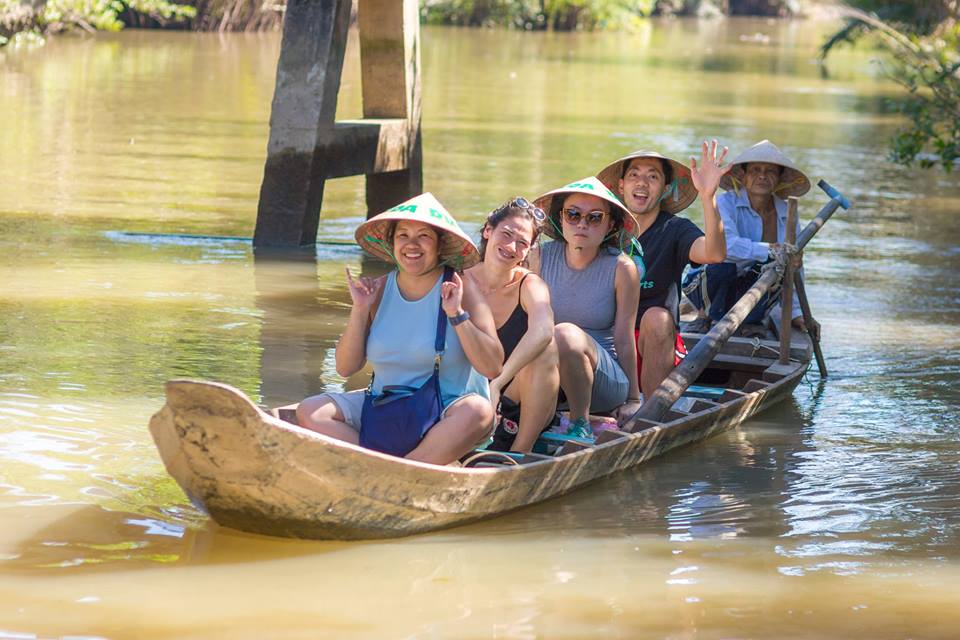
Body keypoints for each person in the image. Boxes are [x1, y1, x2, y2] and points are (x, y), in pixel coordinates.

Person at [296, 193, 503, 465]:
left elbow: (493, 367)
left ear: (440, 245)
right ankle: (382, 466)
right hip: (385, 407)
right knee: (311, 410)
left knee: (479, 410)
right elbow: (345, 368)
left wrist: (456, 314)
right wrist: (360, 309)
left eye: (424, 236)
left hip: (448, 415)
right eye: (403, 235)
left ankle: (394, 468)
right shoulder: (378, 290)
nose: (412, 245)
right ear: (392, 243)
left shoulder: (461, 287)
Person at [596, 141, 729, 401]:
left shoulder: (675, 229)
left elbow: (714, 253)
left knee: (657, 318)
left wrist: (708, 197)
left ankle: (649, 416)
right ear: (621, 185)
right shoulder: (601, 225)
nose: (642, 183)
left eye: (652, 177)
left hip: (653, 345)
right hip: (604, 342)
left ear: (665, 189)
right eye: (634, 175)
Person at [531, 177, 642, 438]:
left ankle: (579, 422)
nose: (582, 223)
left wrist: (633, 398)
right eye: (573, 214)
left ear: (610, 225)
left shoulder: (622, 268)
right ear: (560, 218)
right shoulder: (539, 256)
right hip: (548, 373)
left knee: (566, 333)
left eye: (594, 217)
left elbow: (625, 338)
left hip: (604, 381)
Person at [683, 139, 819, 338]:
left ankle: (751, 321)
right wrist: (773, 250)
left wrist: (798, 313)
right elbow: (727, 246)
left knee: (778, 269)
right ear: (744, 176)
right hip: (711, 287)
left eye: (770, 171)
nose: (762, 176)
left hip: (754, 291)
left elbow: (794, 266)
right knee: (722, 266)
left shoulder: (788, 212)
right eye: (755, 170)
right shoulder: (724, 203)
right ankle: (706, 316)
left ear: (780, 178)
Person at [465, 197, 559, 452]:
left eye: (522, 243)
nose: (511, 247)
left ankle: (520, 453)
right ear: (488, 231)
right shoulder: (460, 279)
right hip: (464, 394)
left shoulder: (530, 284)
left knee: (546, 347)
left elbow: (543, 329)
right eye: (506, 234)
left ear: (528, 251)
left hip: (515, 396)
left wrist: (496, 385)